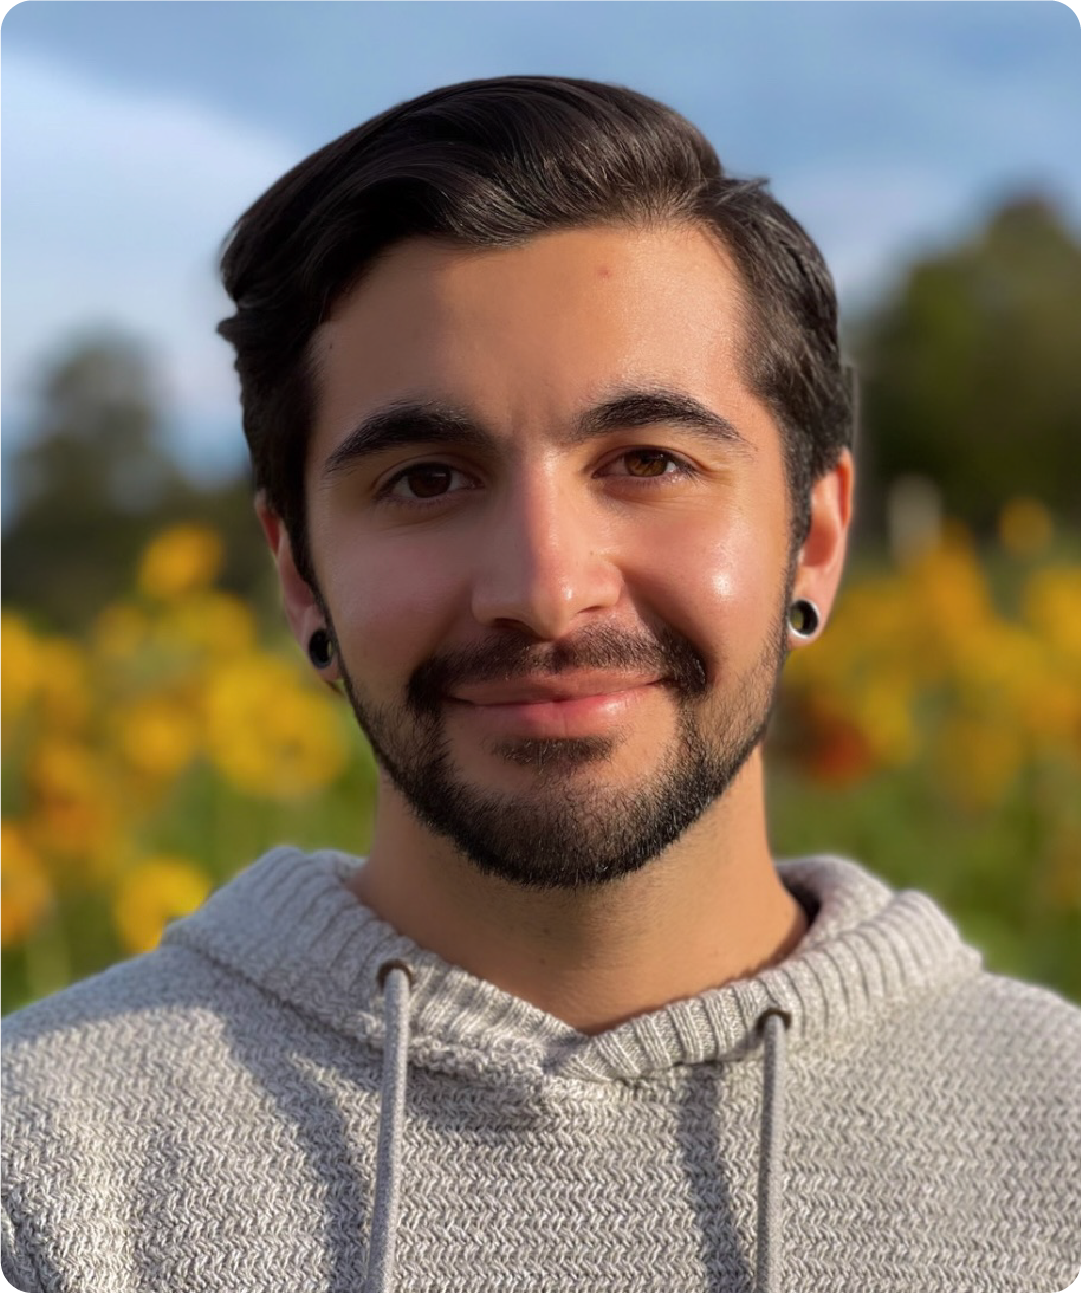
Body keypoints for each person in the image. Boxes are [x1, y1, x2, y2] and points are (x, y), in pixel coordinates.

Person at [2, 75, 1078, 1293]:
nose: (544, 588)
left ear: (815, 538)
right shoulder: (42, 1172)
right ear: (299, 572)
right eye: (424, 479)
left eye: (648, 461)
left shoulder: (1061, 1149)